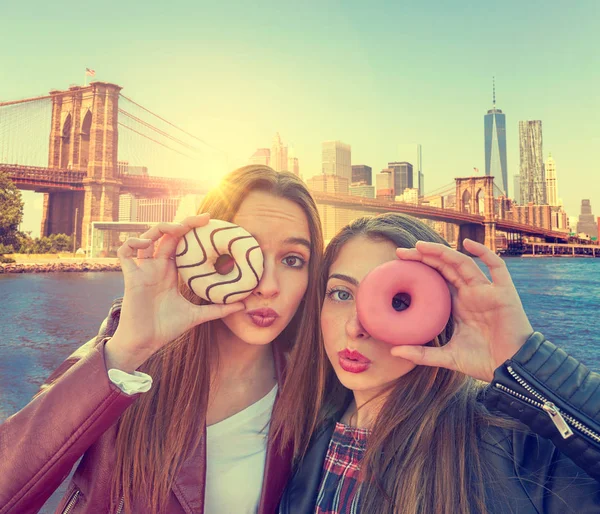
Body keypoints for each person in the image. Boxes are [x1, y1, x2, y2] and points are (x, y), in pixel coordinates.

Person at [0, 165, 324, 514]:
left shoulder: (313, 394)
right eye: (243, 253)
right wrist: (129, 349)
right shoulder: (124, 354)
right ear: (203, 252)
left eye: (293, 259)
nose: (268, 284)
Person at [278, 213, 600, 514]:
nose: (355, 327)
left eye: (397, 301)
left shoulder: (505, 444)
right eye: (341, 294)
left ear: (439, 315)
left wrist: (524, 360)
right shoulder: (303, 427)